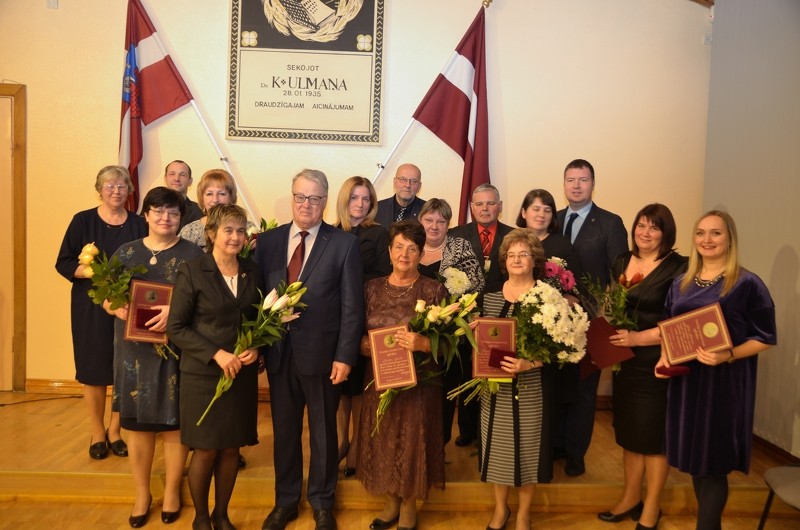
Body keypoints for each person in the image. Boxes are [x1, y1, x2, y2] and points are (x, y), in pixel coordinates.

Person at [255, 169, 363, 530]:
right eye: (300, 197)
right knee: (284, 433)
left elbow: (352, 306)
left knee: (323, 434)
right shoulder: (267, 242)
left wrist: (345, 356)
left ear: (325, 201)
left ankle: (321, 503)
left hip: (323, 358)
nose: (307, 205)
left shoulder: (343, 244)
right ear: (291, 197)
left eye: (315, 198)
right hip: (279, 355)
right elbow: (254, 299)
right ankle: (285, 501)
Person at [655, 210, 776, 530]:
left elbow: (765, 338)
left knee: (713, 464)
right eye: (700, 233)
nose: (707, 240)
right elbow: (668, 327)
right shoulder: (680, 283)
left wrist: (729, 355)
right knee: (697, 464)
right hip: (687, 385)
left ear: (730, 238)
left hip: (723, 385)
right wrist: (664, 357)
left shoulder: (747, 283)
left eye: (716, 233)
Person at [105, 187, 203, 527]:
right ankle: (142, 493)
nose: (165, 218)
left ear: (180, 218)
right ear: (145, 214)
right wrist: (112, 304)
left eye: (173, 213)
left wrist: (174, 309)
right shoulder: (125, 252)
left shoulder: (194, 255)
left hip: (176, 353)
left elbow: (206, 302)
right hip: (133, 353)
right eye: (158, 211)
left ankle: (173, 491)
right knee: (138, 427)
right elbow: (105, 294)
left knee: (174, 424)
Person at [168, 204, 263, 530]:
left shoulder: (253, 270)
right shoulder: (192, 271)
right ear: (211, 234)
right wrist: (216, 354)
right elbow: (176, 327)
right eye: (228, 230)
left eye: (240, 230)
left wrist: (256, 347)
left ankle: (222, 515)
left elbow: (259, 320)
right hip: (203, 374)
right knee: (206, 450)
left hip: (241, 375)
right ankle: (201, 518)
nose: (236, 237)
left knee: (229, 450)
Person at [596, 204, 687, 530]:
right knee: (630, 435)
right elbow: (611, 305)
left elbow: (681, 323)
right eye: (641, 226)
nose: (644, 233)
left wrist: (637, 338)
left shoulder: (679, 267)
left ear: (666, 233)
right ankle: (630, 497)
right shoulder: (622, 260)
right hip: (625, 364)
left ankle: (651, 507)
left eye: (654, 227)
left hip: (657, 362)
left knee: (653, 440)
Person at [357, 220, 448, 530]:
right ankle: (391, 501)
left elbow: (451, 343)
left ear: (421, 254)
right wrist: (363, 345)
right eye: (399, 247)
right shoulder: (370, 288)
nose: (405, 254)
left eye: (412, 249)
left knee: (412, 441)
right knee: (383, 438)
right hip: (379, 381)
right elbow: (356, 331)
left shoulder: (434, 290)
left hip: (419, 384)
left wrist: (424, 343)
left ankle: (410, 504)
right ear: (389, 250)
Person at [55, 165, 147, 460]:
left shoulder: (139, 224)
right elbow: (64, 262)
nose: (116, 191)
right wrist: (94, 271)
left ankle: (115, 430)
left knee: (124, 367)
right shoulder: (82, 221)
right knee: (93, 369)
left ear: (129, 191)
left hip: (127, 305)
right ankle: (96, 431)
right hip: (90, 306)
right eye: (109, 186)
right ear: (99, 190)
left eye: (121, 186)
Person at [555, 159, 628, 477]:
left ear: (592, 184)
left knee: (585, 391)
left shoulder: (610, 223)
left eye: (582, 180)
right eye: (570, 179)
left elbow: (621, 275)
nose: (576, 185)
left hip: (591, 321)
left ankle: (575, 453)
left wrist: (609, 316)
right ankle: (556, 446)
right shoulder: (553, 219)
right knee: (557, 386)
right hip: (552, 319)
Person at [480, 228, 553, 530]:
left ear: (534, 259)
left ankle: (523, 514)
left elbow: (558, 348)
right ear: (504, 261)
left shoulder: (547, 297)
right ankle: (501, 510)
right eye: (511, 255)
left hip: (531, 387)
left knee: (526, 450)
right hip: (494, 388)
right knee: (497, 447)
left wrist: (528, 363)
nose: (517, 259)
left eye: (524, 254)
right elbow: (483, 345)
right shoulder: (490, 298)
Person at [333, 176, 391, 479]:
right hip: (334, 320)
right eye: (355, 198)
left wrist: (350, 279)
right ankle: (342, 440)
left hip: (364, 317)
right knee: (339, 386)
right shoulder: (330, 232)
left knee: (356, 387)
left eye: (366, 199)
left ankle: (356, 446)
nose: (360, 204)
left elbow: (383, 275)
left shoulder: (378, 235)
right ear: (345, 200)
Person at [448, 183, 514, 447]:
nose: (485, 208)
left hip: (501, 315)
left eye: (490, 203)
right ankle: (467, 430)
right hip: (466, 317)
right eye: (479, 204)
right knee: (466, 372)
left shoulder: (513, 235)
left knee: (495, 372)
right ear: (471, 208)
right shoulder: (456, 235)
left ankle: (493, 431)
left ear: (499, 206)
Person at [417, 198, 485, 445]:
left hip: (449, 337)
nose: (434, 226)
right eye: (429, 220)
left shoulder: (460, 247)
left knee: (443, 391)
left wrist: (451, 315)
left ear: (448, 225)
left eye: (441, 221)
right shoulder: (410, 245)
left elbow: (476, 287)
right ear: (420, 221)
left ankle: (439, 444)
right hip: (413, 334)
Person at [179, 169, 256, 250]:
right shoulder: (189, 232)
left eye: (221, 194)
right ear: (202, 198)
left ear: (231, 197)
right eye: (209, 194)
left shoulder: (248, 229)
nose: (215, 200)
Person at [375, 163, 426, 229]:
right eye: (403, 179)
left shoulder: (427, 211)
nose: (407, 185)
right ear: (395, 182)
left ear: (419, 186)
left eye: (413, 181)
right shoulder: (376, 209)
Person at [162, 160, 202, 228]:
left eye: (182, 175)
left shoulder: (199, 211)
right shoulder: (153, 207)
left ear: (190, 181)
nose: (176, 179)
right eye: (172, 174)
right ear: (165, 178)